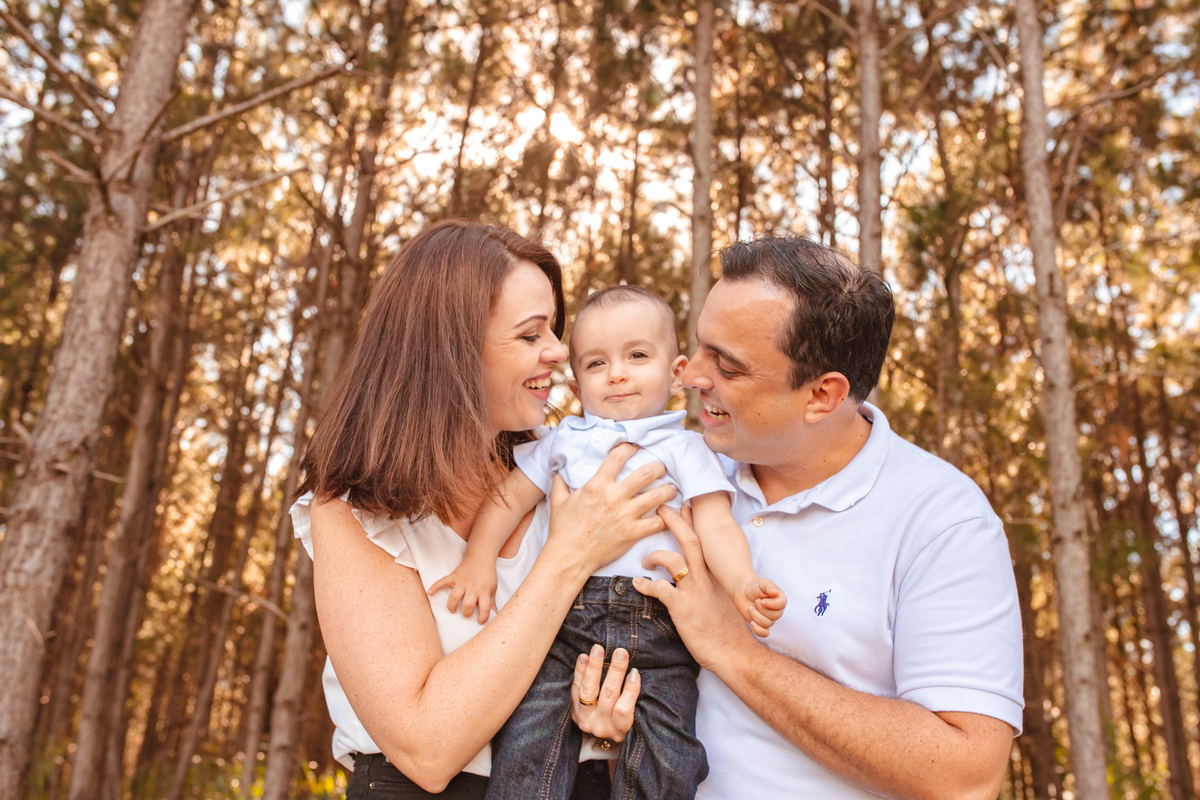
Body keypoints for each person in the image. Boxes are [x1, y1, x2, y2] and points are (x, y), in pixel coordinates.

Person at [584, 237, 1023, 799]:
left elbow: (967, 774)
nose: (691, 376)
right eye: (700, 346)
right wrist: (600, 731)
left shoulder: (943, 520)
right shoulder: (674, 468)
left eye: (728, 366)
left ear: (822, 395)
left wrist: (735, 652)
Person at [292, 220, 674, 800]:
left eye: (554, 330)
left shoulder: (565, 467)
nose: (559, 352)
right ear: (453, 349)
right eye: (530, 335)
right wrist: (569, 555)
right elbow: (426, 749)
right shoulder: (351, 509)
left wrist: (607, 728)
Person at [429, 285, 786, 800]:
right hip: (565, 623)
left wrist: (743, 583)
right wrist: (478, 558)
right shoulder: (564, 440)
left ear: (677, 372)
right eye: (597, 364)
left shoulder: (687, 448)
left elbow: (716, 526)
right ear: (577, 385)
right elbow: (510, 499)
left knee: (670, 756)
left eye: (637, 356)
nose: (616, 374)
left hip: (662, 631)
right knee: (527, 739)